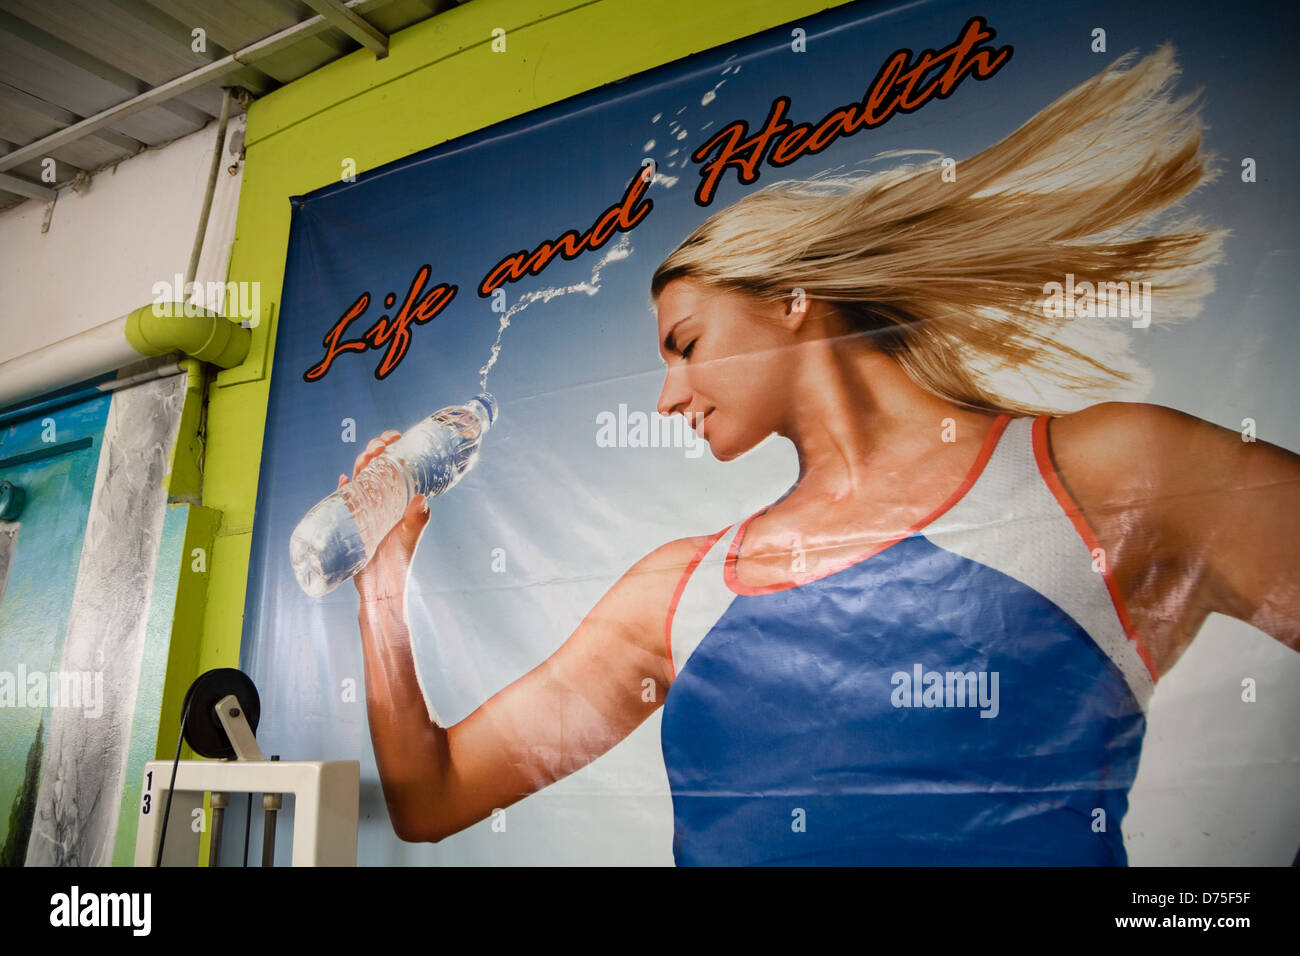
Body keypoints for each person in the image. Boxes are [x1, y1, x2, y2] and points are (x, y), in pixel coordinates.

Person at [343, 47, 1300, 865]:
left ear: (794, 297)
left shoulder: (1108, 474)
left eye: (685, 343)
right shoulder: (677, 594)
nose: (667, 394)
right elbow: (434, 799)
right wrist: (382, 580)